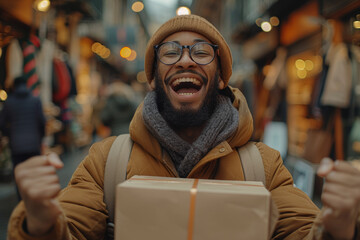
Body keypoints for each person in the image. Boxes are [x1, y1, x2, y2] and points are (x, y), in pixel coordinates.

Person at [7, 15, 360, 240]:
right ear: (153, 78)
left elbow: (302, 231)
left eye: (202, 52)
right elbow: (70, 227)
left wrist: (338, 228)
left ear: (221, 78)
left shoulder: (264, 166)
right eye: (171, 51)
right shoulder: (106, 160)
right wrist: (40, 222)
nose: (186, 59)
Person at [0, 75, 46, 200]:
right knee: (33, 172)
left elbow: (2, 123)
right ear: (26, 84)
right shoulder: (35, 100)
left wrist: (10, 134)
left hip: (16, 146)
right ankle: (33, 197)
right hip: (33, 144)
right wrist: (40, 138)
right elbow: (42, 122)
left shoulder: (9, 102)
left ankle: (22, 200)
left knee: (20, 173)